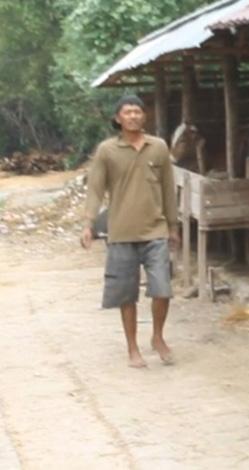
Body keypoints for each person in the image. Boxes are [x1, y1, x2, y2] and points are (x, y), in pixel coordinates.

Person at [82, 94, 180, 368]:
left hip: (156, 231)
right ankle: (132, 348)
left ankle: (158, 337)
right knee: (127, 295)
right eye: (128, 112)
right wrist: (89, 223)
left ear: (144, 116)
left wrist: (172, 226)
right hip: (121, 233)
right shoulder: (107, 150)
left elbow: (168, 190)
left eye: (138, 111)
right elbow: (95, 189)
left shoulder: (158, 147)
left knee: (162, 289)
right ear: (118, 118)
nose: (134, 116)